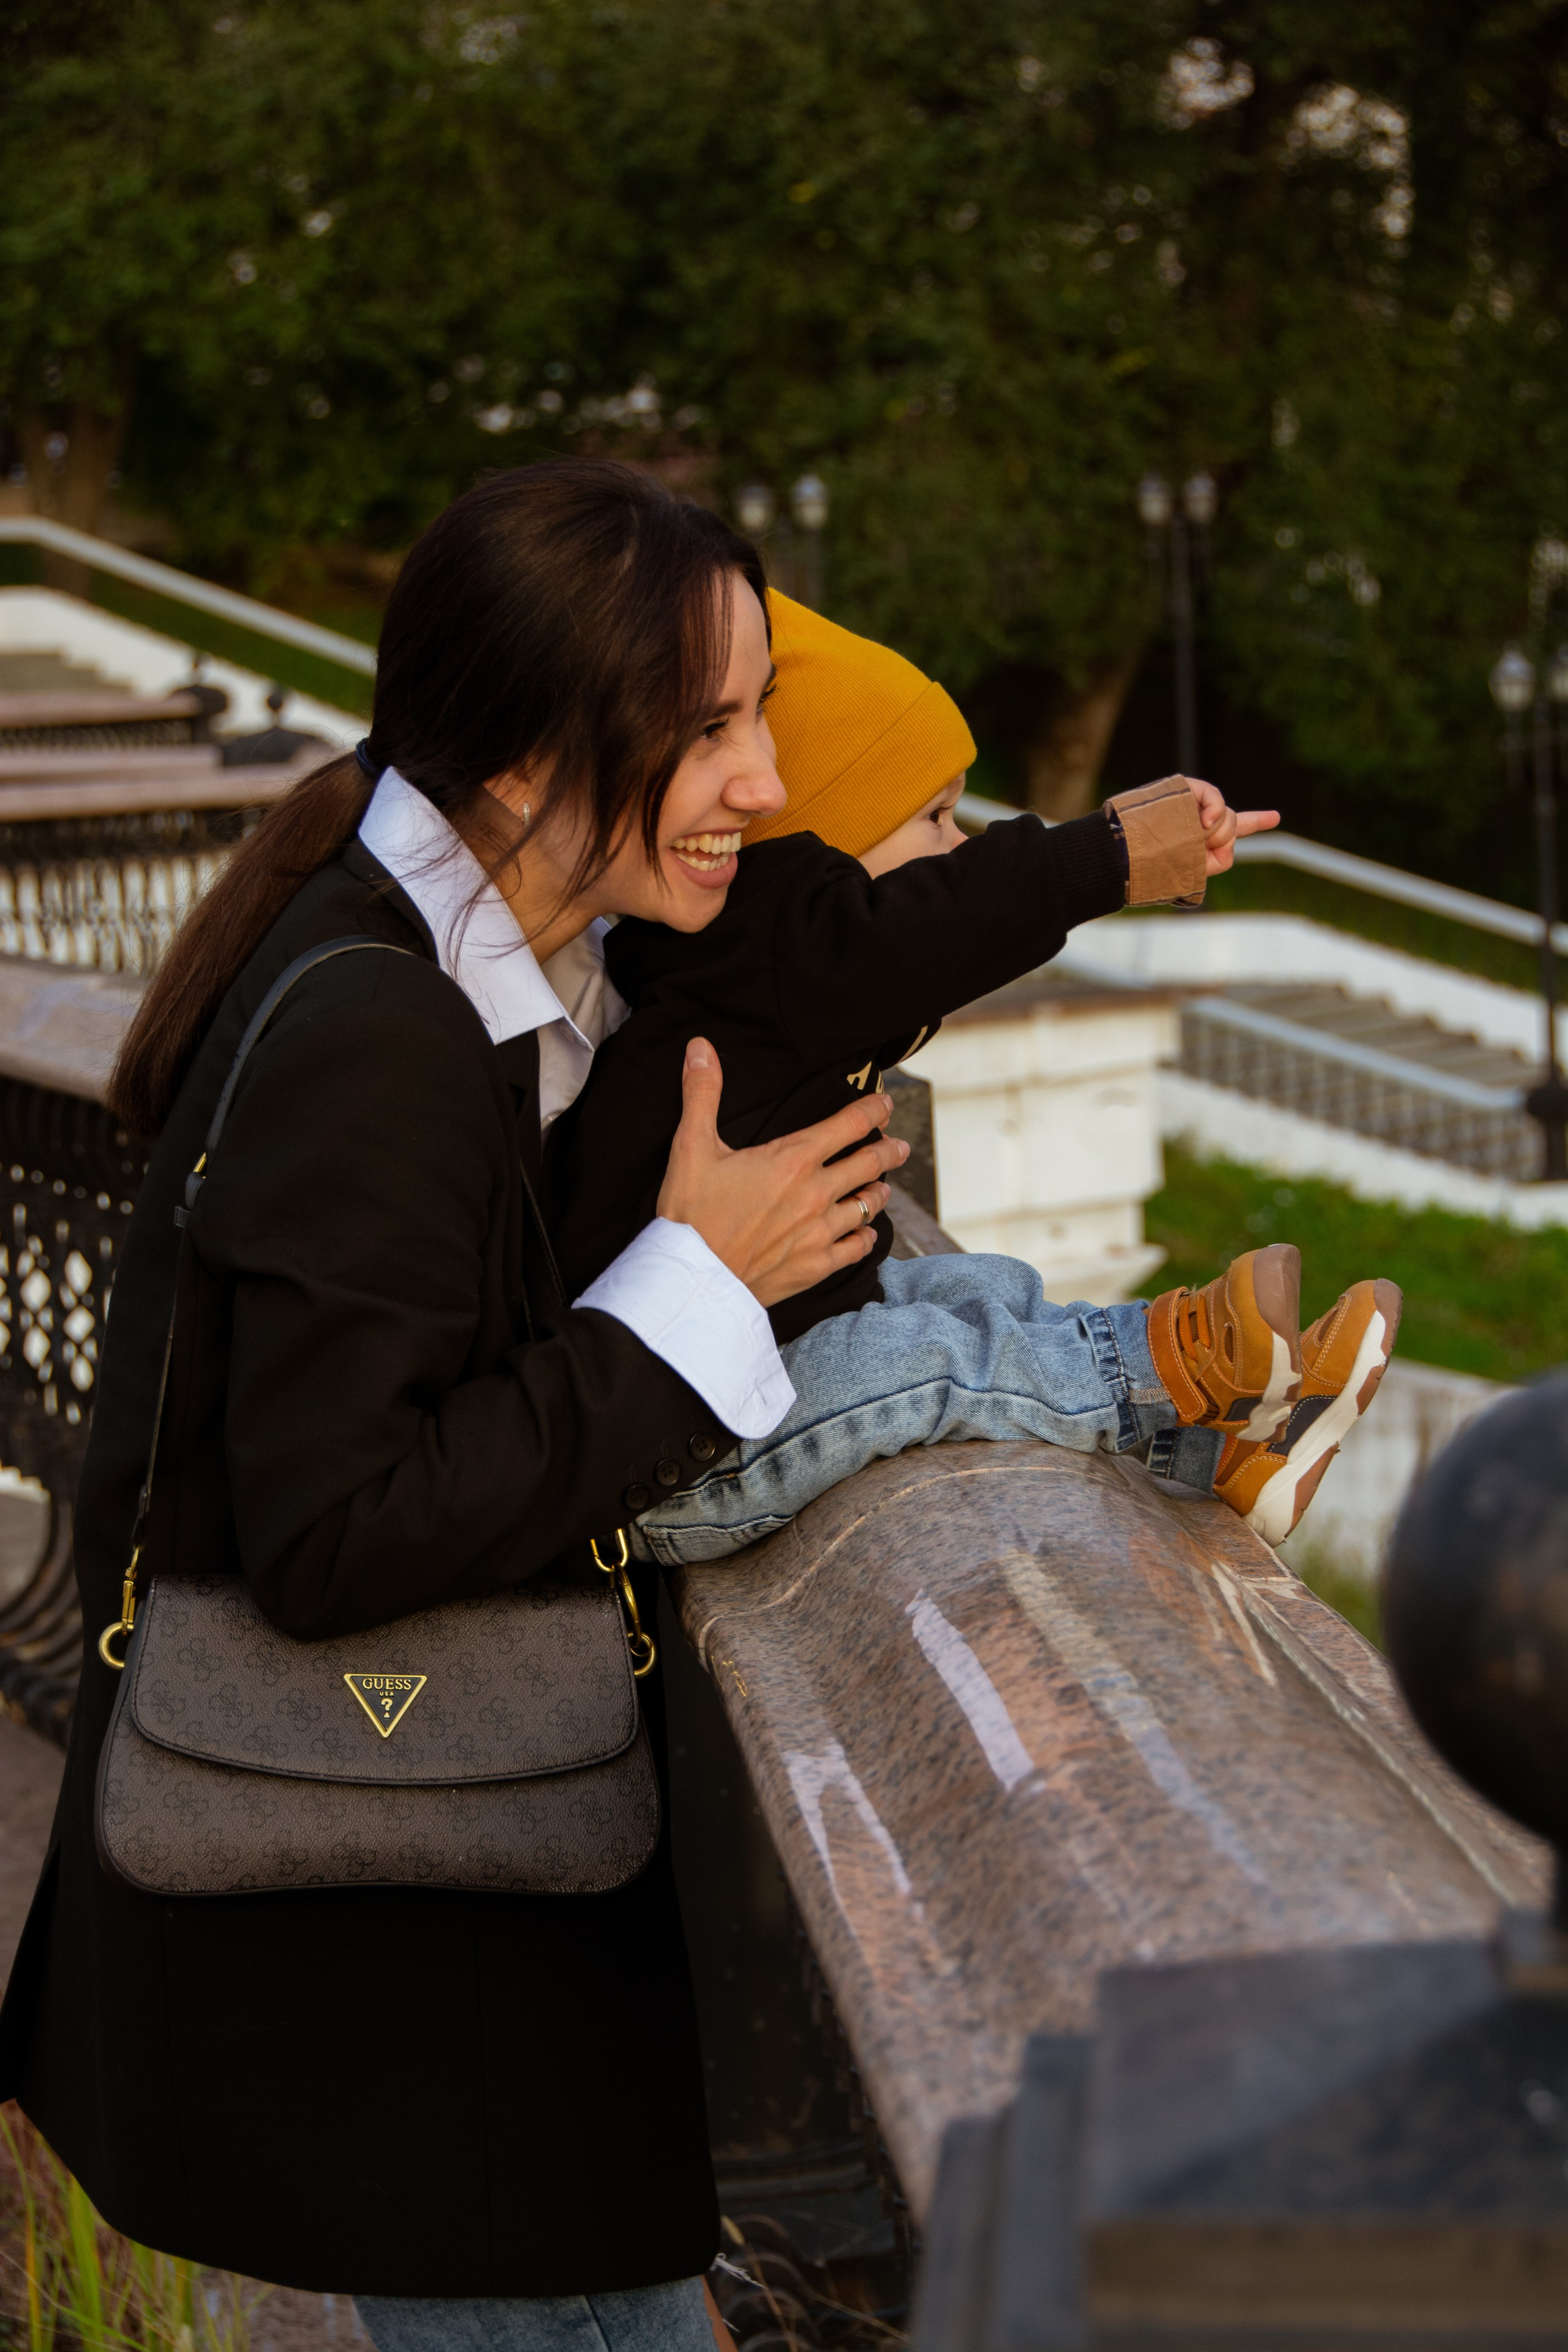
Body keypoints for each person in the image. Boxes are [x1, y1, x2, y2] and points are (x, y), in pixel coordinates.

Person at [0, 462, 911, 2351]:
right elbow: (343, 1530)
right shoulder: (379, 1028)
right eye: (713, 727)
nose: (763, 779)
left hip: (445, 1878)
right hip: (397, 1929)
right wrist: (697, 1286)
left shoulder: (455, 957)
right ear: (516, 757)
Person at [548, 593, 1401, 1563]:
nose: (958, 849)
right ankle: (1174, 1360)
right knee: (925, 1357)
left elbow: (935, 923)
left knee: (972, 1287)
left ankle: (1226, 1446)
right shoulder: (783, 950)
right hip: (672, 1464)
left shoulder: (763, 965)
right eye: (937, 818)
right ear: (824, 837)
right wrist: (1125, 851)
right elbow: (957, 917)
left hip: (733, 1367)